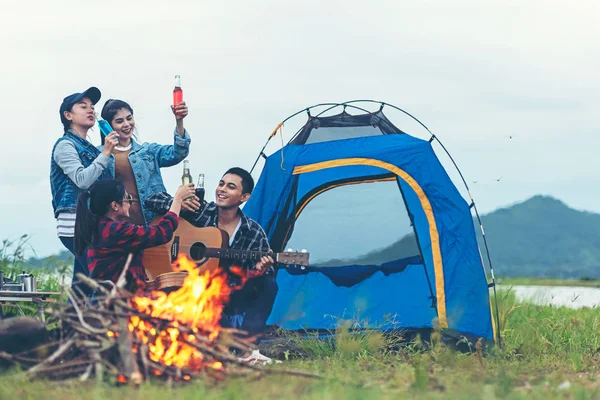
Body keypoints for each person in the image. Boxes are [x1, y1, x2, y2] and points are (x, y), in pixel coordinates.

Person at [145, 167, 280, 365]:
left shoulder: (253, 231)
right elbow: (151, 200)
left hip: (229, 293)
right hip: (197, 292)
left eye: (231, 187)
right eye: (221, 184)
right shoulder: (200, 212)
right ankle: (225, 347)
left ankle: (248, 351)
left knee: (268, 283)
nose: (222, 189)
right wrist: (178, 204)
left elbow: (256, 276)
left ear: (244, 197)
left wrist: (259, 270)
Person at [51, 87, 118, 290]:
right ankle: (99, 321)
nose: (91, 110)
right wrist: (106, 152)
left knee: (82, 286)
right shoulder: (65, 146)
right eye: (83, 106)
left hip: (90, 223)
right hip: (74, 223)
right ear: (68, 115)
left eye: (92, 107)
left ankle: (71, 321)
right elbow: (82, 180)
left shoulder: (91, 149)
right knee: (102, 282)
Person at [73, 180, 195, 289]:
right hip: (118, 304)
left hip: (108, 300)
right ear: (115, 205)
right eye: (127, 197)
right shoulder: (116, 231)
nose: (131, 202)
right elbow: (162, 233)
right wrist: (177, 200)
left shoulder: (99, 228)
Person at [98, 98, 192, 226]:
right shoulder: (99, 155)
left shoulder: (148, 151)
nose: (126, 124)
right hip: (119, 227)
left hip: (153, 222)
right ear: (108, 126)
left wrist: (179, 120)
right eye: (119, 121)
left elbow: (178, 153)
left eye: (129, 118)